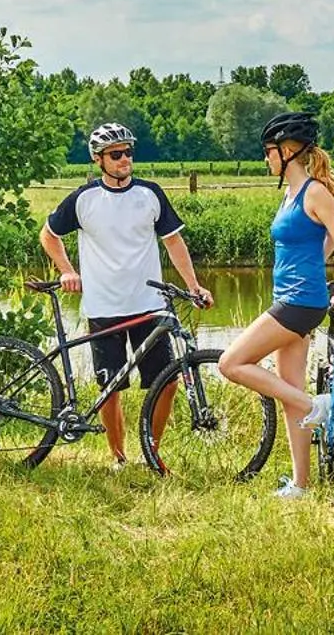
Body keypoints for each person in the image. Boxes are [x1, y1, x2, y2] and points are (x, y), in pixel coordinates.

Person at [41, 121, 213, 467]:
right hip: (103, 307)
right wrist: (67, 270)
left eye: (128, 152)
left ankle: (152, 452)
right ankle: (118, 458)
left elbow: (173, 242)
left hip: (148, 306)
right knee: (110, 389)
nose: (124, 159)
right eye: (116, 154)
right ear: (98, 159)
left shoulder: (150, 194)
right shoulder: (84, 199)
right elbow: (48, 235)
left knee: (166, 383)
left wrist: (193, 285)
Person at [216, 110, 334, 499]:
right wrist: (314, 267)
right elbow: (319, 246)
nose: (266, 158)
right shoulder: (290, 194)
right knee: (289, 391)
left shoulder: (315, 193)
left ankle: (317, 405)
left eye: (269, 151)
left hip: (300, 302)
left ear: (288, 151)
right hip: (290, 298)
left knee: (230, 363)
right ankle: (301, 485)